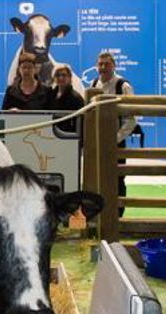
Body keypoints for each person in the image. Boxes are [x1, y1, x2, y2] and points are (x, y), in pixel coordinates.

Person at [91, 52, 136, 215]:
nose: (103, 67)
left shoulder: (123, 86)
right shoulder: (94, 84)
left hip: (117, 142)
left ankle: (118, 216)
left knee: (117, 178)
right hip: (97, 140)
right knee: (98, 177)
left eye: (106, 64)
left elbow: (131, 119)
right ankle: (101, 214)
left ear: (114, 66)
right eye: (100, 64)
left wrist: (115, 138)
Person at [49, 63, 85, 133]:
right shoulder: (50, 95)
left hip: (68, 136)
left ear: (70, 77)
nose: (61, 78)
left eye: (64, 75)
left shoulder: (76, 98)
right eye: (58, 75)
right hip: (51, 134)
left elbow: (80, 122)